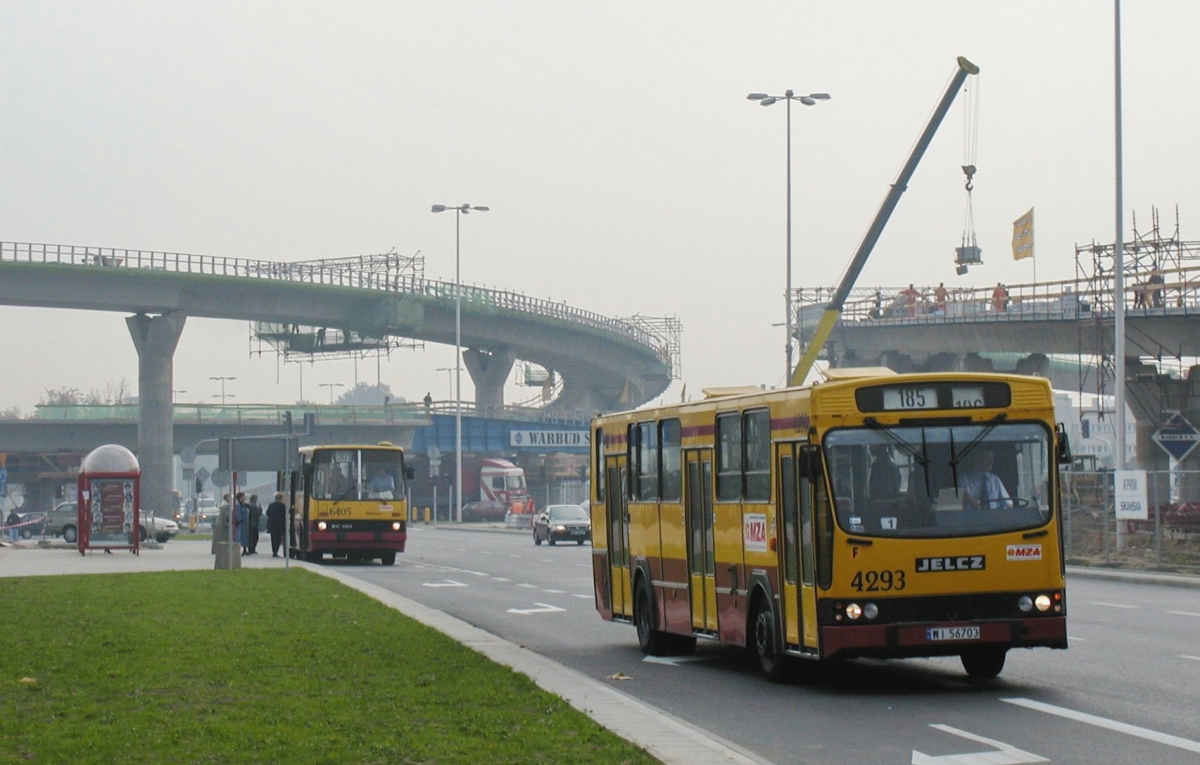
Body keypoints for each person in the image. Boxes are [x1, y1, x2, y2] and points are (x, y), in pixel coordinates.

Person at [266, 492, 287, 557]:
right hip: (280, 525)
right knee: (278, 539)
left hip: (272, 524)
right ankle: (275, 551)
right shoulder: (283, 506)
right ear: (281, 498)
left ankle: (274, 551)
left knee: (273, 538)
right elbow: (285, 514)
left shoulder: (271, 505)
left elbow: (267, 513)